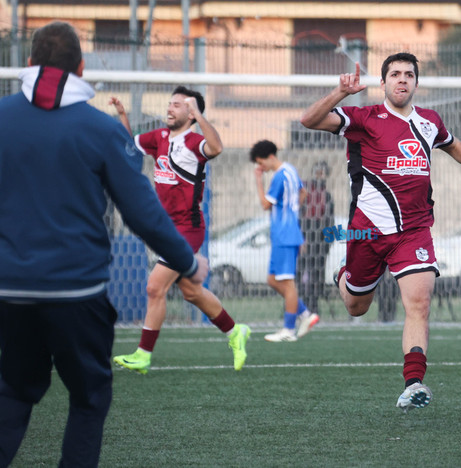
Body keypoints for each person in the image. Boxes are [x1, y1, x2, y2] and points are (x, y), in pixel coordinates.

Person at [0, 21, 209, 468]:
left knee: (13, 393)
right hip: (77, 293)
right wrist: (186, 260)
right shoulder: (99, 128)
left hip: (9, 290)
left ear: (31, 63)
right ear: (79, 68)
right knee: (89, 397)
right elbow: (143, 213)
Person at [300, 53, 461, 411]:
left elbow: (453, 145)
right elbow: (309, 120)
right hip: (367, 232)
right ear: (382, 83)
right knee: (355, 306)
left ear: (415, 82)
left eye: (408, 74)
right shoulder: (363, 118)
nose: (402, 80)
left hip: (414, 231)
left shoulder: (429, 121)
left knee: (419, 302)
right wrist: (339, 92)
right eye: (394, 74)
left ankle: (414, 384)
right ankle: (344, 277)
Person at [109, 87, 250, 374]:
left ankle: (143, 354)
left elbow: (217, 148)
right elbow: (129, 145)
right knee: (190, 291)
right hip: (168, 230)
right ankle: (235, 332)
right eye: (170, 103)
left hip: (188, 229)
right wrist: (123, 115)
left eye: (177, 104)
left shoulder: (195, 141)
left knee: (154, 287)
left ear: (191, 113)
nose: (170, 108)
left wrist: (200, 114)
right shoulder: (159, 137)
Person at [250, 139, 318, 342]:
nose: (260, 167)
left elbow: (265, 204)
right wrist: (293, 211)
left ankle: (288, 330)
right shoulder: (291, 170)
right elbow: (303, 192)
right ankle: (306, 314)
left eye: (261, 163)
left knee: (287, 283)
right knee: (272, 280)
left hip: (284, 234)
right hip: (288, 232)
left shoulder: (279, 177)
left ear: (270, 157)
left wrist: (258, 180)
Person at [297, 160, 334, 320]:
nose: (320, 175)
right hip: (307, 239)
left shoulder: (327, 196)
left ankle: (314, 309)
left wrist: (328, 244)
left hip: (321, 242)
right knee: (301, 276)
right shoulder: (306, 192)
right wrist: (301, 240)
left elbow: (330, 221)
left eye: (323, 173)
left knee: (317, 277)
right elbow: (300, 217)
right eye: (317, 172)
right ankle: (301, 309)